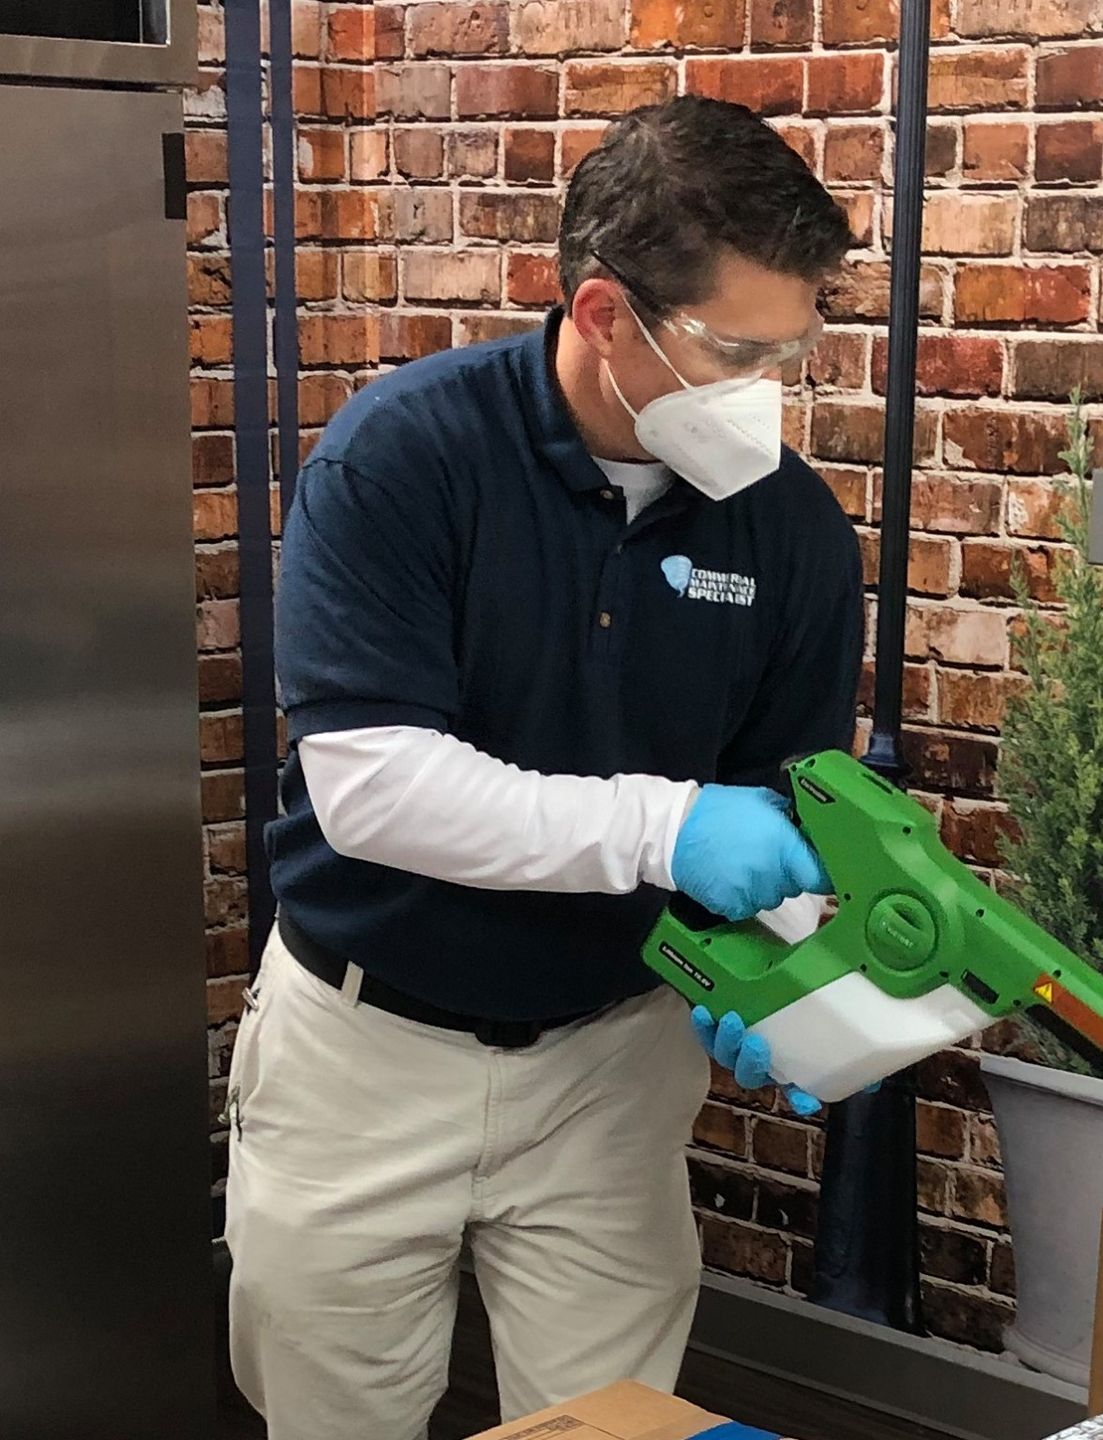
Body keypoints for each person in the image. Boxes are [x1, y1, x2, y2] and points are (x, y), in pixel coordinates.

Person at [223, 97, 864, 1440]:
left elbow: (798, 811)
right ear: (601, 314)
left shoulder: (791, 529)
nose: (768, 392)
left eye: (791, 351)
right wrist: (664, 827)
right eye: (737, 351)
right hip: (367, 1050)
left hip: (611, 1066)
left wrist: (790, 960)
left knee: (611, 1425)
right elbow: (376, 787)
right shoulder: (404, 456)